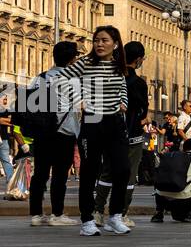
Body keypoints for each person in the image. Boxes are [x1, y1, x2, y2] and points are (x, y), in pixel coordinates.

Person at [62, 26, 132, 235]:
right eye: (96, 40)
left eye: (104, 40)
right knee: (89, 171)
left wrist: (123, 102)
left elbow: (122, 87)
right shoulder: (85, 63)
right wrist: (78, 101)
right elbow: (60, 80)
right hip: (92, 121)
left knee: (123, 169)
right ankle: (87, 221)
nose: (99, 44)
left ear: (115, 44)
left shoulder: (118, 66)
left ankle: (115, 216)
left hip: (115, 122)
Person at [93, 40, 149, 227]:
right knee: (129, 176)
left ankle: (97, 211)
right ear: (139, 59)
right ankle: (120, 214)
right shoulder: (139, 83)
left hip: (110, 133)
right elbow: (143, 112)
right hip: (132, 136)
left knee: (107, 172)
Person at [28, 40, 81, 226]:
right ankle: (57, 214)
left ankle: (35, 214)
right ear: (72, 59)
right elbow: (78, 107)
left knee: (40, 174)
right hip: (63, 132)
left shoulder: (39, 78)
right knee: (60, 175)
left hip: (42, 132)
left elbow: (30, 105)